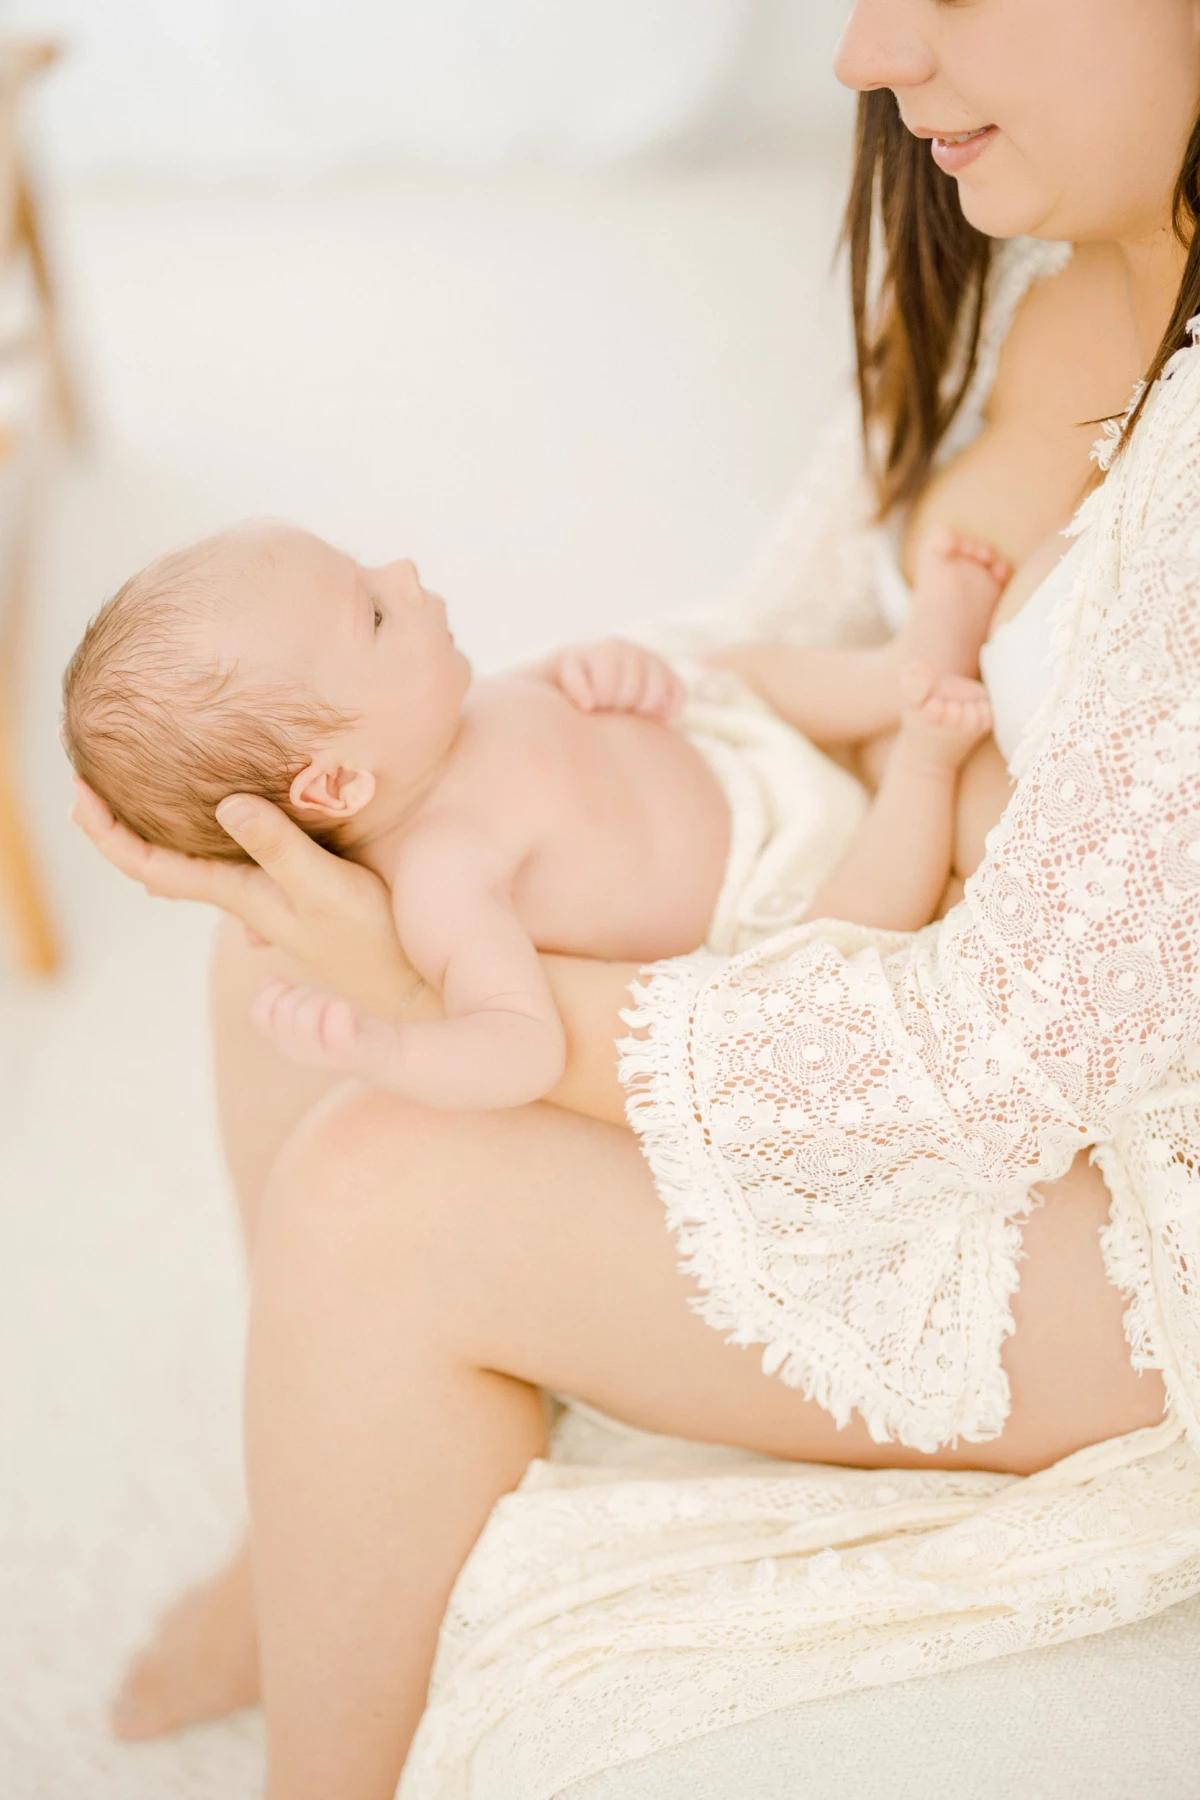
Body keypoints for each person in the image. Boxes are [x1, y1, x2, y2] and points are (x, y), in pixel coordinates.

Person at [69, 1, 1200, 1794]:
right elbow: (778, 635)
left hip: (1119, 1171)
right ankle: (301, 1557)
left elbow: (990, 1067)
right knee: (278, 943)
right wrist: (487, 772)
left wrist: (431, 990)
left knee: (376, 1192)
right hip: (884, 886)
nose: (863, 53)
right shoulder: (1024, 254)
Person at [63, 519, 1003, 1107]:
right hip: (771, 884)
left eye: (367, 569)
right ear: (337, 787)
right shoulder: (442, 880)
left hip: (726, 750)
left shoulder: (444, 718)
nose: (403, 570)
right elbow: (521, 1047)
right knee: (851, 928)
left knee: (733, 669)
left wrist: (595, 670)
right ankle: (925, 761)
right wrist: (390, 1045)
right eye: (374, 613)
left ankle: (894, 673)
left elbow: (553, 699)